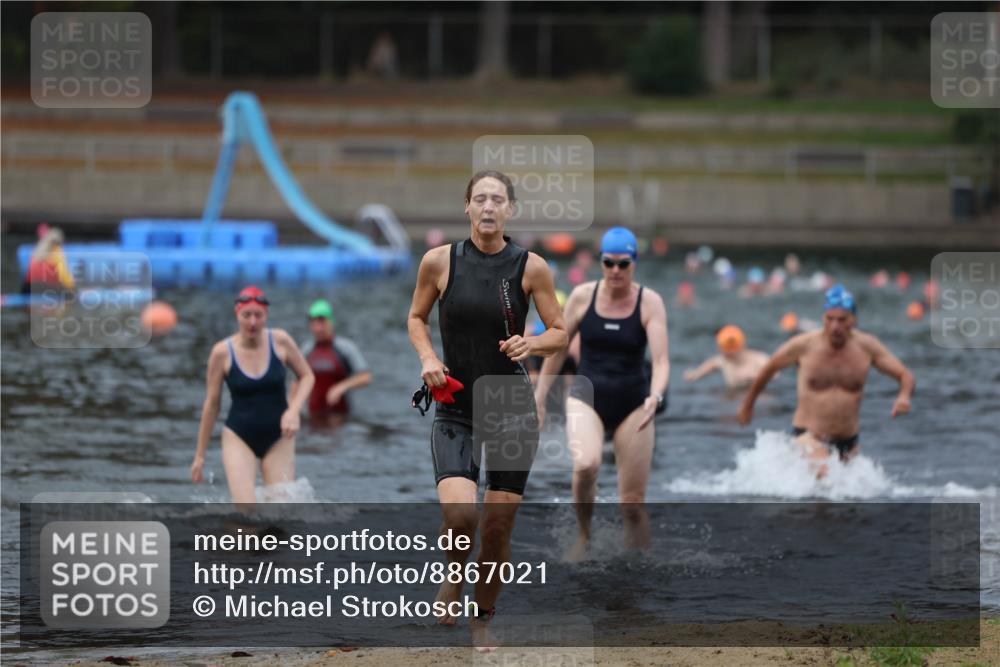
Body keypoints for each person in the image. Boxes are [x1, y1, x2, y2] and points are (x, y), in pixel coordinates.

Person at [407, 170, 567, 649]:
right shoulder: (439, 262)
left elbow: (560, 332)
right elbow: (416, 317)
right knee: (461, 517)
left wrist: (532, 342)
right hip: (456, 405)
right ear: (467, 207)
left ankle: (482, 623)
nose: (490, 207)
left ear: (511, 210)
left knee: (496, 529)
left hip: (511, 408)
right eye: (481, 199)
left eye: (498, 199)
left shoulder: (531, 267)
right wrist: (429, 357)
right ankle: (453, 575)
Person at [535, 227, 670, 563]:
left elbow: (663, 361)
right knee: (586, 463)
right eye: (609, 263)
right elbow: (556, 350)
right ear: (601, 262)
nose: (615, 271)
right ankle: (584, 536)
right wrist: (539, 397)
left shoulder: (649, 302)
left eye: (623, 264)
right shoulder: (583, 296)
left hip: (634, 401)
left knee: (633, 504)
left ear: (634, 263)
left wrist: (656, 395)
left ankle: (639, 565)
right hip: (586, 395)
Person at [738, 285, 915, 472]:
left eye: (842, 320)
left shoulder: (867, 347)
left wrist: (904, 396)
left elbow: (905, 375)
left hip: (849, 441)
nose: (835, 327)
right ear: (823, 318)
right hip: (809, 435)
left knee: (848, 497)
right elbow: (768, 369)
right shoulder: (803, 345)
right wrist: (748, 405)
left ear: (853, 319)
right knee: (826, 477)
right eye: (830, 319)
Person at [191, 286, 314, 507]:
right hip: (239, 435)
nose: (253, 322)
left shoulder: (280, 341)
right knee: (246, 511)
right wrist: (200, 455)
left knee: (281, 512)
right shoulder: (222, 352)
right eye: (246, 315)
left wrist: (294, 411)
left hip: (279, 435)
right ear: (237, 315)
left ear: (266, 316)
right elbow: (212, 404)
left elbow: (307, 376)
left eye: (259, 315)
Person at [294, 299, 371, 425]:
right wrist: (292, 410)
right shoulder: (306, 350)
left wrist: (342, 387)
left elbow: (366, 377)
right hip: (313, 416)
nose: (318, 327)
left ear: (331, 322)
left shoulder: (345, 348)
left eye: (322, 321)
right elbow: (296, 382)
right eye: (314, 323)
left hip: (342, 417)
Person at [684, 325, 770, 391]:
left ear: (743, 345)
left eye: (734, 348)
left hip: (757, 393)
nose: (730, 353)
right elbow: (711, 364)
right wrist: (695, 374)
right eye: (726, 349)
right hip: (733, 394)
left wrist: (752, 377)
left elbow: (775, 375)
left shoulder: (760, 359)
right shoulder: (724, 361)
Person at [21, 226, 75, 295]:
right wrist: (72, 287)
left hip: (28, 288)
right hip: (47, 288)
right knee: (70, 294)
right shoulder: (57, 252)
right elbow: (64, 276)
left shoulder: (38, 248)